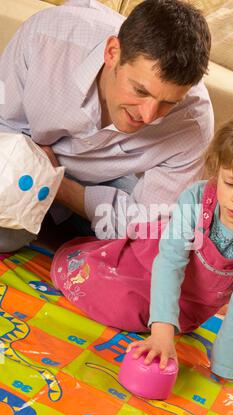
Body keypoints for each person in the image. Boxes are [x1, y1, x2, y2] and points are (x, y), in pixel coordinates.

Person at [51, 113, 233, 382]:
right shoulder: (196, 197)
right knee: (114, 299)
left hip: (191, 303)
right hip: (151, 263)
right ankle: (94, 247)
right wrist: (161, 332)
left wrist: (228, 367)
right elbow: (169, 262)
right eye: (229, 183)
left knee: (151, 319)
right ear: (218, 171)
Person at [0, 0, 213, 252]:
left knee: (150, 251)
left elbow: (153, 222)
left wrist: (58, 186)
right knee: (5, 237)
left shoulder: (193, 123)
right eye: (139, 90)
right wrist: (33, 174)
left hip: (103, 181)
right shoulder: (46, 38)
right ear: (112, 52)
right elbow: (5, 124)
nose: (148, 116)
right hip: (28, 154)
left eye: (168, 103)